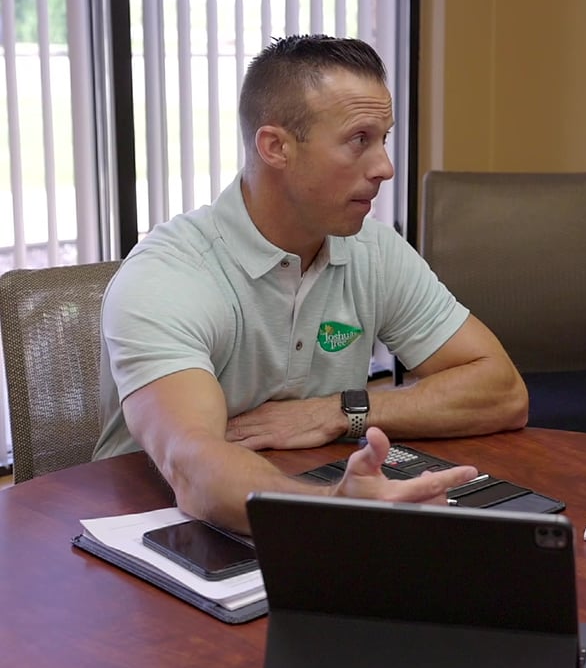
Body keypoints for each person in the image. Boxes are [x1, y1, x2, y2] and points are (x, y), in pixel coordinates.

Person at [95, 35, 528, 532]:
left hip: (300, 509)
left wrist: (340, 413)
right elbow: (193, 469)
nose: (385, 167)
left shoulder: (373, 252)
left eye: (384, 138)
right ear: (276, 146)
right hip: (153, 536)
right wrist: (333, 507)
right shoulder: (169, 276)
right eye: (359, 140)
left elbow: (503, 392)